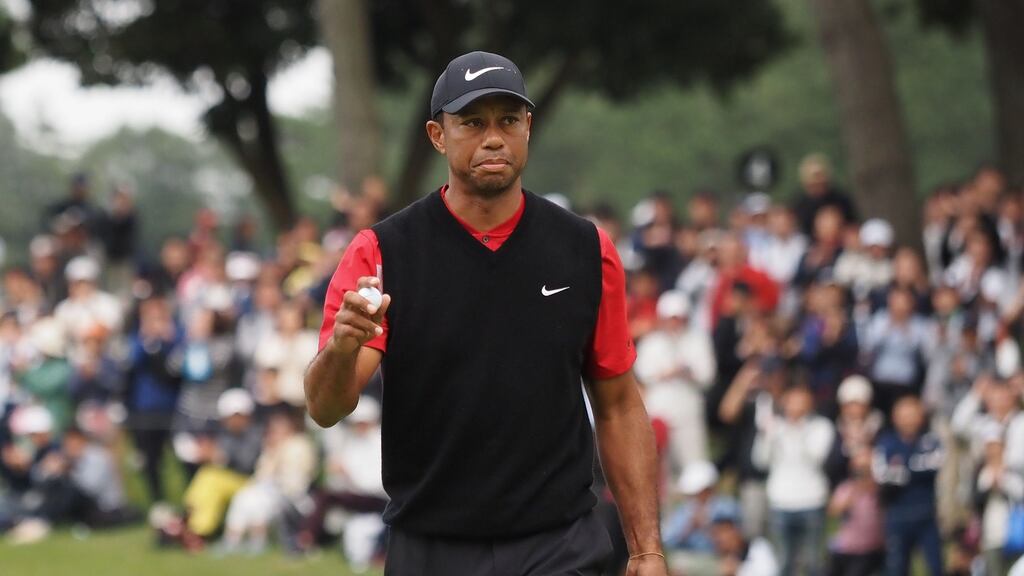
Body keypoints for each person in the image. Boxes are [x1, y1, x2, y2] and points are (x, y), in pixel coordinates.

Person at [305, 51, 665, 575]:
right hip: (432, 547)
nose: (493, 137)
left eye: (508, 121)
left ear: (528, 128)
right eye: (472, 122)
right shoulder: (381, 252)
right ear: (437, 135)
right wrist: (340, 348)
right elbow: (325, 407)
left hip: (559, 544)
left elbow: (618, 406)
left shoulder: (586, 249)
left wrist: (647, 549)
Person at [752, 383, 834, 576]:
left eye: (801, 401)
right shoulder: (775, 427)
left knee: (813, 561)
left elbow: (816, 456)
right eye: (792, 401)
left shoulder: (821, 427)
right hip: (781, 501)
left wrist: (796, 428)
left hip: (812, 501)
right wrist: (767, 435)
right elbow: (760, 461)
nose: (796, 407)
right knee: (783, 562)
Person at [634, 290, 716, 471]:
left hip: (689, 411)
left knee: (695, 464)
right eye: (671, 318)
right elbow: (642, 372)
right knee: (660, 468)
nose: (675, 323)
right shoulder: (651, 342)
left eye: (679, 318)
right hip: (659, 412)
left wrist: (686, 372)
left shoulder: (698, 340)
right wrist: (666, 373)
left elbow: (708, 376)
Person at [873, 395, 944, 576]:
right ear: (894, 417)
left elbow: (934, 466)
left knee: (936, 566)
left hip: (926, 514)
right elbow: (882, 475)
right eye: (904, 415)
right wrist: (912, 468)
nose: (908, 420)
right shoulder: (886, 442)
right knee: (897, 568)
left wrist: (903, 468)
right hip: (897, 515)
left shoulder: (931, 440)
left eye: (912, 415)